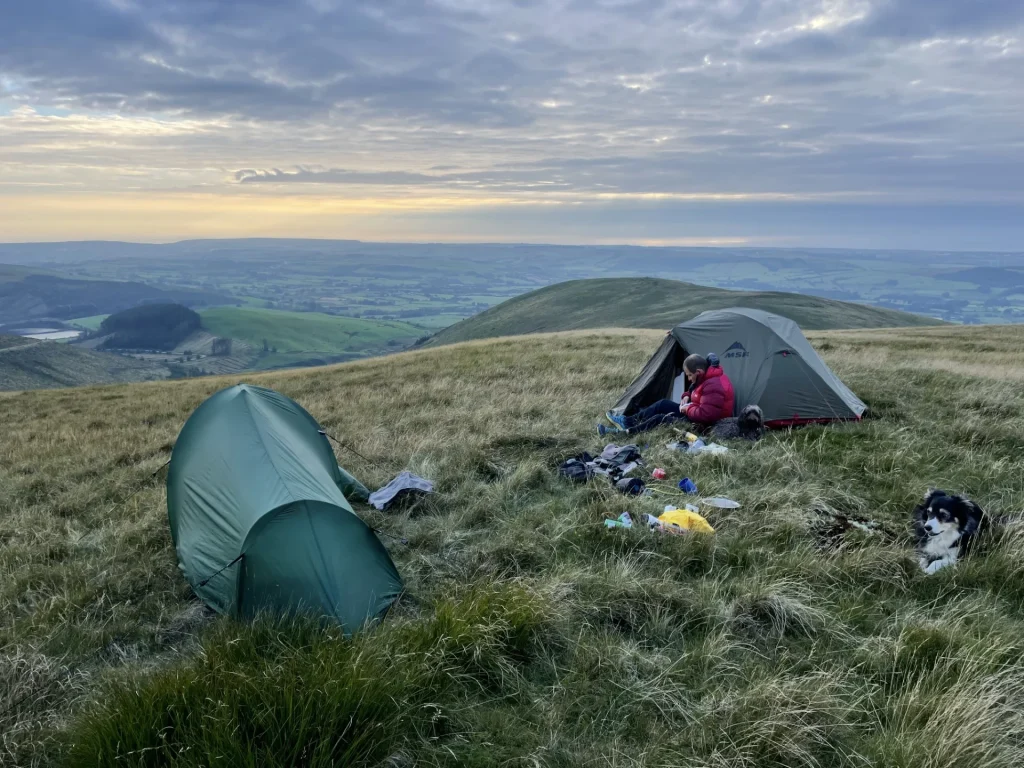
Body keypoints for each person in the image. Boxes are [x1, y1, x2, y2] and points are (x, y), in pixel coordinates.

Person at [601, 353, 735, 435]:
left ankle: (626, 433)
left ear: (698, 372)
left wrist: (688, 408)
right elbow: (696, 390)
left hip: (705, 425)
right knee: (662, 404)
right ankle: (628, 421)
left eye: (689, 375)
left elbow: (707, 416)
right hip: (696, 413)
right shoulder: (706, 376)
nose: (688, 379)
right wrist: (686, 396)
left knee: (661, 418)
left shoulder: (714, 385)